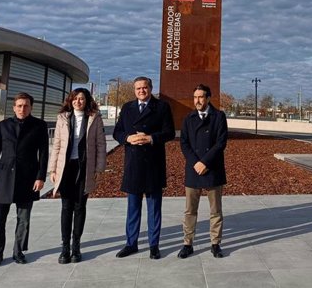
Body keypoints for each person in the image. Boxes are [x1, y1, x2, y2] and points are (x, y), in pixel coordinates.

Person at [113, 76, 174, 260]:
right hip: (133, 163)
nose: (141, 90)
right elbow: (117, 131)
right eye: (138, 88)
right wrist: (127, 138)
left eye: (145, 87)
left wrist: (150, 138)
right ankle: (131, 243)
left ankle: (154, 245)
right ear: (134, 90)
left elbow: (169, 132)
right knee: (133, 207)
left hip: (153, 162)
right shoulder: (127, 108)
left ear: (150, 88)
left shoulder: (162, 107)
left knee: (154, 207)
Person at [0, 92, 48, 267]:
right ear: (14, 107)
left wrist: (41, 177)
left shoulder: (39, 126)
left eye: (26, 105)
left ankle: (18, 251)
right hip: (3, 178)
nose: (22, 108)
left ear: (31, 107)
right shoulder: (3, 126)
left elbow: (43, 154)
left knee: (24, 219)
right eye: (19, 105)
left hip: (27, 179)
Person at [48, 88, 106, 264]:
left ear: (87, 101)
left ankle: (76, 246)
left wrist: (99, 168)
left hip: (84, 168)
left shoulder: (94, 118)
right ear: (70, 100)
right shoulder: (63, 118)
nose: (78, 101)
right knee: (66, 207)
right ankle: (65, 248)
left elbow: (100, 145)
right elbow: (56, 144)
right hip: (66, 168)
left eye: (82, 99)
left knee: (80, 207)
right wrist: (53, 169)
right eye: (75, 98)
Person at [177, 84, 228, 259]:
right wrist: (195, 163)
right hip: (193, 169)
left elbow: (221, 143)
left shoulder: (219, 116)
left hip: (212, 168)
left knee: (215, 210)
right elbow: (184, 143)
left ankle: (215, 243)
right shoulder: (188, 118)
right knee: (190, 210)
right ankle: (187, 243)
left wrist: (205, 162)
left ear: (208, 98)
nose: (197, 101)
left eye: (200, 97)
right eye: (195, 97)